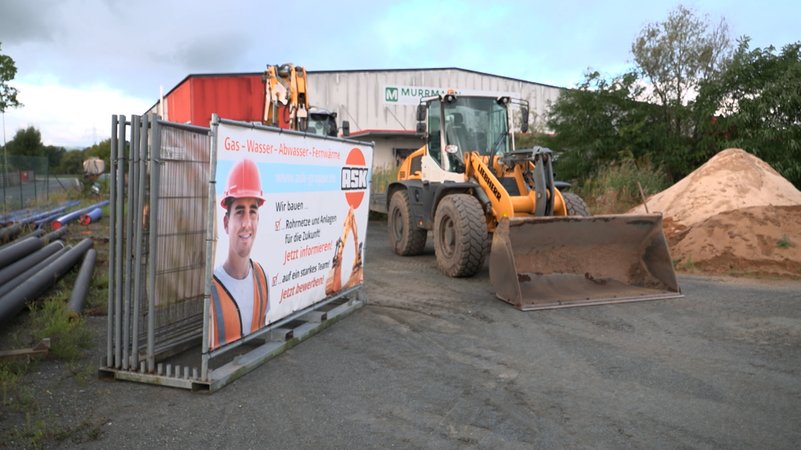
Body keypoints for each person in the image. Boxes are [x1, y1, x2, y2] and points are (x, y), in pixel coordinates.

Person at [209, 158, 270, 350]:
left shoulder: (262, 277)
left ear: (258, 219)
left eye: (252, 212)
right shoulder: (211, 288)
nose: (246, 223)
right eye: (239, 212)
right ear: (226, 224)